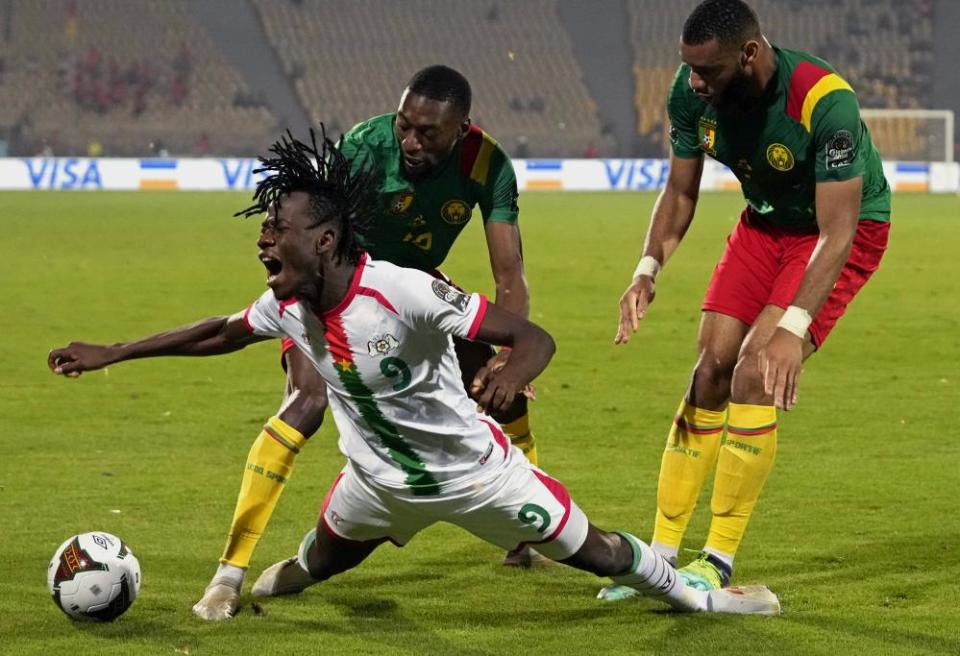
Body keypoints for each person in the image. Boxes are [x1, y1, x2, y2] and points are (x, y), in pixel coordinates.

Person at [47, 130, 729, 618]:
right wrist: (117, 351)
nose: (262, 239)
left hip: (479, 478)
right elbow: (221, 333)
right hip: (373, 486)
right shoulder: (287, 302)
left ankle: (696, 596)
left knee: (601, 554)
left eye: (276, 228)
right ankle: (259, 579)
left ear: (324, 240)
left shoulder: (401, 291)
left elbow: (532, 335)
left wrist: (511, 371)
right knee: (314, 569)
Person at [191, 65, 541, 619]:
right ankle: (227, 576)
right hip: (334, 293)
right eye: (405, 125)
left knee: (502, 380)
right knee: (306, 402)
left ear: (461, 129)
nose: (410, 141)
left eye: (427, 133)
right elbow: (309, 226)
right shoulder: (364, 146)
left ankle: (525, 540)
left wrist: (507, 360)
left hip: (410, 294)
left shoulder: (486, 163)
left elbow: (510, 271)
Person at [601, 0, 891, 601]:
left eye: (708, 71)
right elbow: (680, 193)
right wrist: (647, 268)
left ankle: (717, 560)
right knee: (709, 371)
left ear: (751, 55)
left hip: (837, 231)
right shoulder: (690, 93)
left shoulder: (823, 101)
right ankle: (658, 560)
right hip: (764, 226)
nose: (694, 83)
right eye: (689, 70)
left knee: (755, 372)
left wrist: (794, 325)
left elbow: (838, 230)